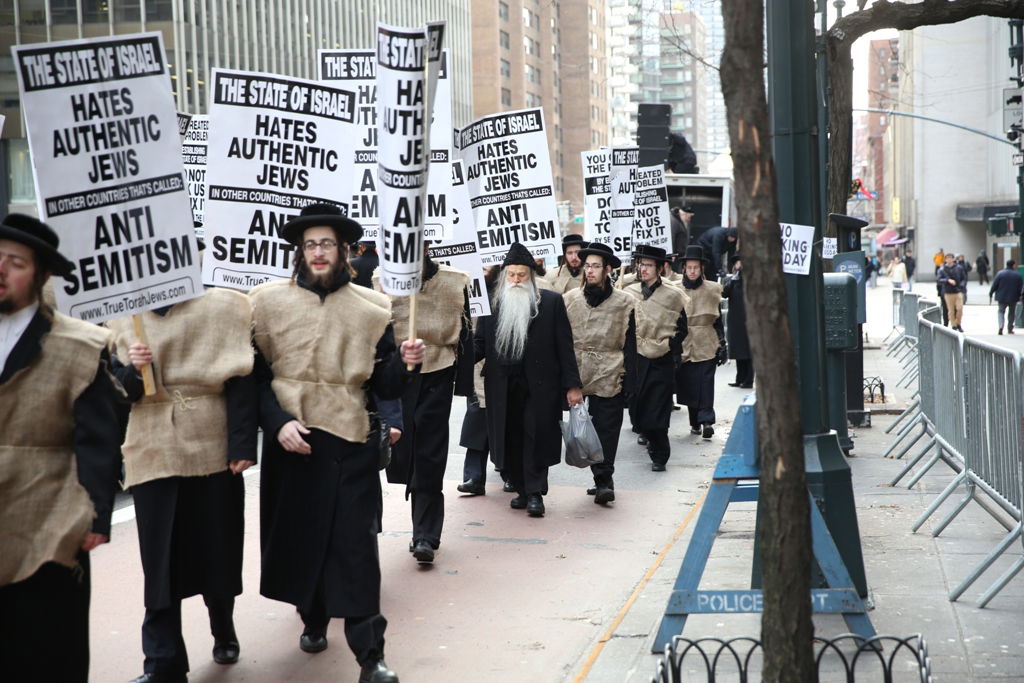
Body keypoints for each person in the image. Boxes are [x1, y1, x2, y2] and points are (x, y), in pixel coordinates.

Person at [249, 202, 424, 683]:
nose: (319, 252)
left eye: (327, 243)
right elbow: (255, 377)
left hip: (349, 440)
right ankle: (312, 616)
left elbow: (384, 385)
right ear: (299, 252)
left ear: (344, 249)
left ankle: (372, 655)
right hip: (293, 442)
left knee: (355, 547)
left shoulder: (373, 306)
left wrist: (406, 364)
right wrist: (277, 421)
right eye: (310, 244)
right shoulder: (266, 302)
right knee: (304, 538)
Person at [108, 279, 257, 683]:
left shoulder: (225, 306)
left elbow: (243, 381)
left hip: (212, 439)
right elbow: (116, 394)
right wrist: (132, 370)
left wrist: (242, 443)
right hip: (152, 444)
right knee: (159, 559)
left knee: (218, 545)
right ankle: (162, 660)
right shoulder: (123, 315)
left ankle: (222, 626)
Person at [0, 214, 122, 683]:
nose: (2, 270)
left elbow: (98, 438)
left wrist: (94, 517)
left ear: (41, 275)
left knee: (46, 649)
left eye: (15, 262)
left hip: (50, 518)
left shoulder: (80, 346)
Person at [375, 246, 473, 565]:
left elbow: (465, 333)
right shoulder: (383, 280)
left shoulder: (453, 282)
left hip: (438, 371)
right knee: (397, 447)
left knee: (430, 454)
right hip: (397, 373)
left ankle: (426, 535)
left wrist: (466, 384)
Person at [474, 243, 582, 517]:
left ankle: (535, 493)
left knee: (536, 436)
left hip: (540, 386)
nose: (516, 280)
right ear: (504, 275)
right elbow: (479, 344)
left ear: (531, 276)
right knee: (509, 438)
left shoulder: (551, 302)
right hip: (502, 386)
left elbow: (564, 347)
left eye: (522, 275)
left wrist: (572, 385)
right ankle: (521, 490)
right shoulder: (492, 304)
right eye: (511, 275)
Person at [564, 242, 635, 505]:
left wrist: (630, 380)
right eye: (587, 266)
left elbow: (631, 342)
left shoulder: (625, 302)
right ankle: (596, 473)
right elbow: (561, 340)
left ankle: (604, 479)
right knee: (583, 426)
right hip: (578, 367)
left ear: (607, 270)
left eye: (595, 266)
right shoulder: (570, 299)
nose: (590, 271)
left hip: (610, 368)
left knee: (607, 427)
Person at [623, 245, 687, 472]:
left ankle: (660, 455)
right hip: (637, 359)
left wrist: (668, 345)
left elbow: (682, 328)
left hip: (661, 360)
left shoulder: (673, 295)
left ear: (660, 268)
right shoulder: (628, 293)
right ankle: (649, 435)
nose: (644, 269)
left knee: (658, 409)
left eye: (649, 265)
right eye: (641, 264)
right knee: (638, 408)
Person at [676, 245, 726, 438]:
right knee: (689, 383)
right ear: (684, 269)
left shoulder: (712, 289)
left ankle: (707, 421)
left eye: (696, 267)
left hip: (707, 341)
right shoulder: (676, 291)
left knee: (706, 382)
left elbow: (718, 319)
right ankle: (695, 421)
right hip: (684, 342)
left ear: (701, 269)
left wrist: (723, 343)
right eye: (689, 267)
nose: (693, 271)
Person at [722, 255, 753, 388]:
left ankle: (748, 379)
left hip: (748, 318)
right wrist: (733, 280)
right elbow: (724, 293)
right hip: (735, 319)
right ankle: (739, 378)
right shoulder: (732, 279)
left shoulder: (751, 279)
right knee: (739, 350)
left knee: (748, 351)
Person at [989, 260, 1023, 335]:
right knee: (1011, 313)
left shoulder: (1000, 274)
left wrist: (991, 293)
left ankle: (1001, 326)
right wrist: (1020, 296)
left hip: (1001, 297)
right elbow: (1020, 288)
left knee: (1001, 311)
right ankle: (1010, 328)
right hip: (1013, 297)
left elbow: (995, 285)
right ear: (1013, 265)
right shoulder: (1017, 275)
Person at [936, 252, 967, 332]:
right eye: (947, 258)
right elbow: (938, 279)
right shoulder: (942, 269)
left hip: (958, 291)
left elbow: (964, 278)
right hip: (948, 292)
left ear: (953, 259)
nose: (949, 260)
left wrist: (961, 285)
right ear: (945, 260)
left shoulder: (959, 268)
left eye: (950, 258)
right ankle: (953, 325)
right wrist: (947, 280)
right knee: (950, 310)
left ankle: (958, 323)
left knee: (959, 308)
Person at [669, 203, 693, 273]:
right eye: (689, 217)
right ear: (684, 214)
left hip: (678, 254)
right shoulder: (674, 221)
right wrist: (671, 254)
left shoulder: (678, 221)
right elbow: (672, 237)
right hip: (675, 255)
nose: (690, 219)